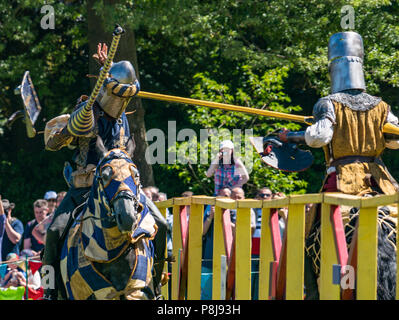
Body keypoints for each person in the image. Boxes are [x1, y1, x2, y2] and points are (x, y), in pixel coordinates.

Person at [278, 32, 399, 299]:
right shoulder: (381, 106)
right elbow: (395, 140)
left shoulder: (328, 103)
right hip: (379, 179)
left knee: (306, 231)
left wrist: (293, 136)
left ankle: (312, 292)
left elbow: (319, 137)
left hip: (342, 180)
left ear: (334, 67)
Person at [41, 42, 167, 299]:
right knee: (53, 234)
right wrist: (71, 128)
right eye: (118, 96)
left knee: (162, 225)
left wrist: (109, 67)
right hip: (84, 191)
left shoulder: (123, 121)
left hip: (122, 189)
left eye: (125, 97)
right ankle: (49, 291)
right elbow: (54, 142)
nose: (121, 102)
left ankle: (154, 286)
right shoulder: (86, 112)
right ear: (108, 92)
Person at [0, 197, 24, 262]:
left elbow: (15, 239)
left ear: (10, 210)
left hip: (13, 264)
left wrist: (5, 222)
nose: (3, 213)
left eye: (5, 210)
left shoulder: (16, 223)